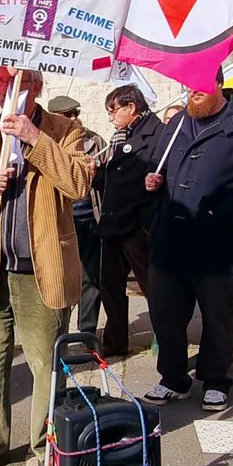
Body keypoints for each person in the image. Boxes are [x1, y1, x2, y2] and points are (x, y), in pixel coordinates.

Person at [0, 68, 92, 466]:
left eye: (19, 84)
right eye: (1, 84)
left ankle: (49, 449)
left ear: (38, 88)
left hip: (39, 270)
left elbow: (79, 183)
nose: (7, 92)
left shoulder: (66, 130)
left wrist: (35, 139)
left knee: (46, 365)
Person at [144, 70, 233, 412]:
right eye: (189, 85)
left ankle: (216, 380)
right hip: (169, 242)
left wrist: (223, 213)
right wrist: (154, 182)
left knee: (217, 317)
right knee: (165, 316)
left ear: (218, 84)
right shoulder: (175, 126)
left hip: (218, 244)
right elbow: (157, 166)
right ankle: (172, 378)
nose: (193, 91)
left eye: (201, 85)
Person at [92, 84, 163, 358]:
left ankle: (165, 337)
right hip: (112, 224)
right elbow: (114, 181)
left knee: (152, 286)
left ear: (131, 107)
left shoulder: (155, 133)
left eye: (113, 111)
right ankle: (115, 341)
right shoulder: (119, 137)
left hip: (137, 225)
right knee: (110, 286)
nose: (111, 118)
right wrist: (97, 174)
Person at [47, 95, 106, 338]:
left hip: (89, 217)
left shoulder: (94, 140)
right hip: (58, 219)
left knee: (90, 276)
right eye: (67, 115)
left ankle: (87, 331)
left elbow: (108, 182)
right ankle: (55, 330)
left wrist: (95, 173)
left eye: (75, 113)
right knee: (57, 277)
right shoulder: (44, 143)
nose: (74, 119)